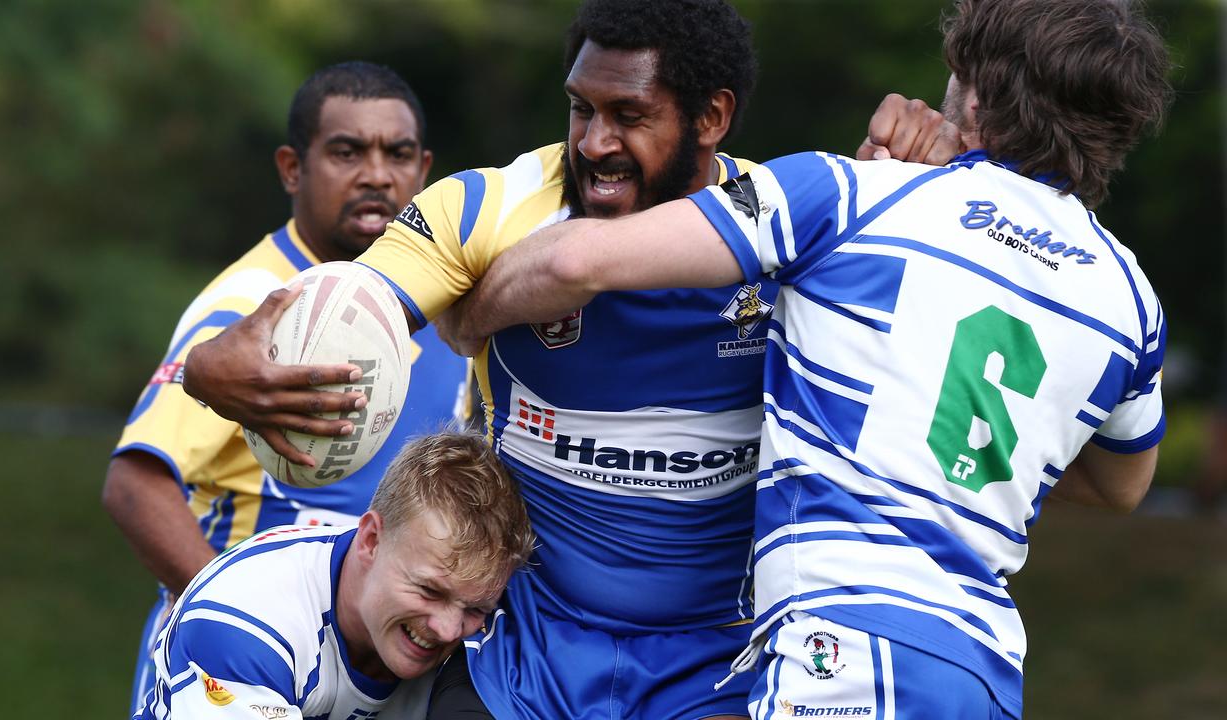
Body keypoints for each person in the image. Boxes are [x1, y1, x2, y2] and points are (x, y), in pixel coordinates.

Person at [181, 3, 956, 717]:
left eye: (629, 116)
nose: (593, 143)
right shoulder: (489, 206)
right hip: (521, 656)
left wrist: (922, 169)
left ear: (712, 116)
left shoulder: (790, 227)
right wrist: (218, 366)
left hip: (716, 665)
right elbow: (356, 309)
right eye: (581, 107)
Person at [447, 0, 1172, 717]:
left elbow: (573, 263)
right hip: (981, 668)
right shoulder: (1131, 301)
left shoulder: (853, 196)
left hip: (844, 653)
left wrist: (470, 323)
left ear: (974, 95)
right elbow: (1120, 487)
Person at [102, 61, 466, 713]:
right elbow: (134, 484)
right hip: (242, 677)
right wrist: (237, 620)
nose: (377, 175)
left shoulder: (450, 309)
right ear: (293, 169)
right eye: (347, 152)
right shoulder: (251, 307)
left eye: (398, 153)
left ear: (425, 169)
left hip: (376, 682)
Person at [133, 431, 536, 720]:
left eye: (474, 608)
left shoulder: (499, 636)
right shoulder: (243, 617)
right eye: (429, 591)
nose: (448, 629)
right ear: (371, 539)